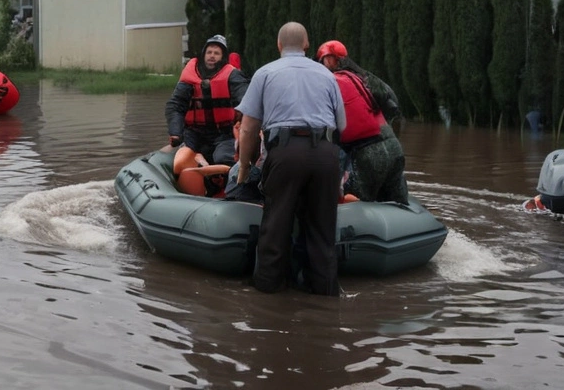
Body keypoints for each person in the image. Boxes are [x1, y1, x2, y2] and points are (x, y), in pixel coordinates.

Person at [235, 22, 346, 295]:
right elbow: (341, 124)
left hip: (285, 153)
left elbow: (248, 127)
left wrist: (245, 167)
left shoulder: (265, 73)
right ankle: (324, 293)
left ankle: (268, 291)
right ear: (307, 45)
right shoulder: (327, 75)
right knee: (322, 230)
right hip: (324, 153)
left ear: (279, 45)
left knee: (276, 225)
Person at [315, 41, 409, 205]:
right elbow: (393, 103)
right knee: (400, 205)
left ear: (328, 59)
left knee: (353, 204)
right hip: (394, 148)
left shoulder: (329, 82)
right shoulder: (364, 78)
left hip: (368, 155)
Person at [165, 34, 249, 165]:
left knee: (223, 158)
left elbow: (245, 100)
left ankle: (224, 176)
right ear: (203, 55)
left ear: (223, 57)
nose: (212, 55)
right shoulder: (190, 77)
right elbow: (175, 105)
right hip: (194, 134)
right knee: (180, 159)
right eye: (209, 52)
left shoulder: (233, 76)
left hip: (224, 134)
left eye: (217, 53)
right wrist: (175, 132)